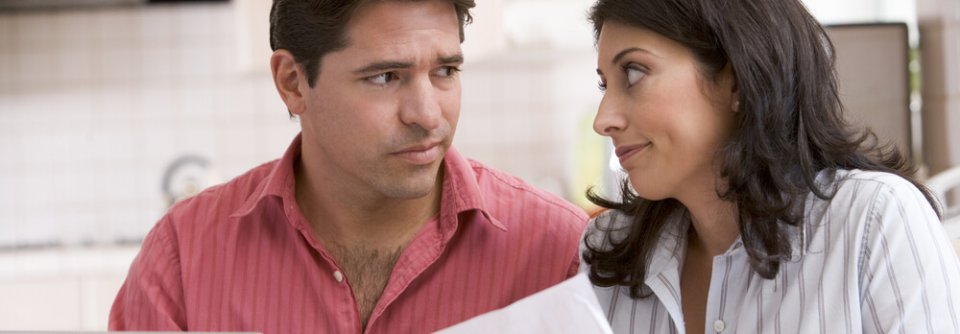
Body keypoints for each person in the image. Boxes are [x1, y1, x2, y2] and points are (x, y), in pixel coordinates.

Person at [109, 0, 588, 333]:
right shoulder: (183, 260)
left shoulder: (558, 253)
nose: (427, 114)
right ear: (293, 83)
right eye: (385, 76)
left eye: (445, 71)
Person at [580, 0, 960, 333]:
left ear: (737, 80)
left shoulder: (875, 221)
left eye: (633, 73)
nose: (603, 120)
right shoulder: (606, 249)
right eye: (604, 85)